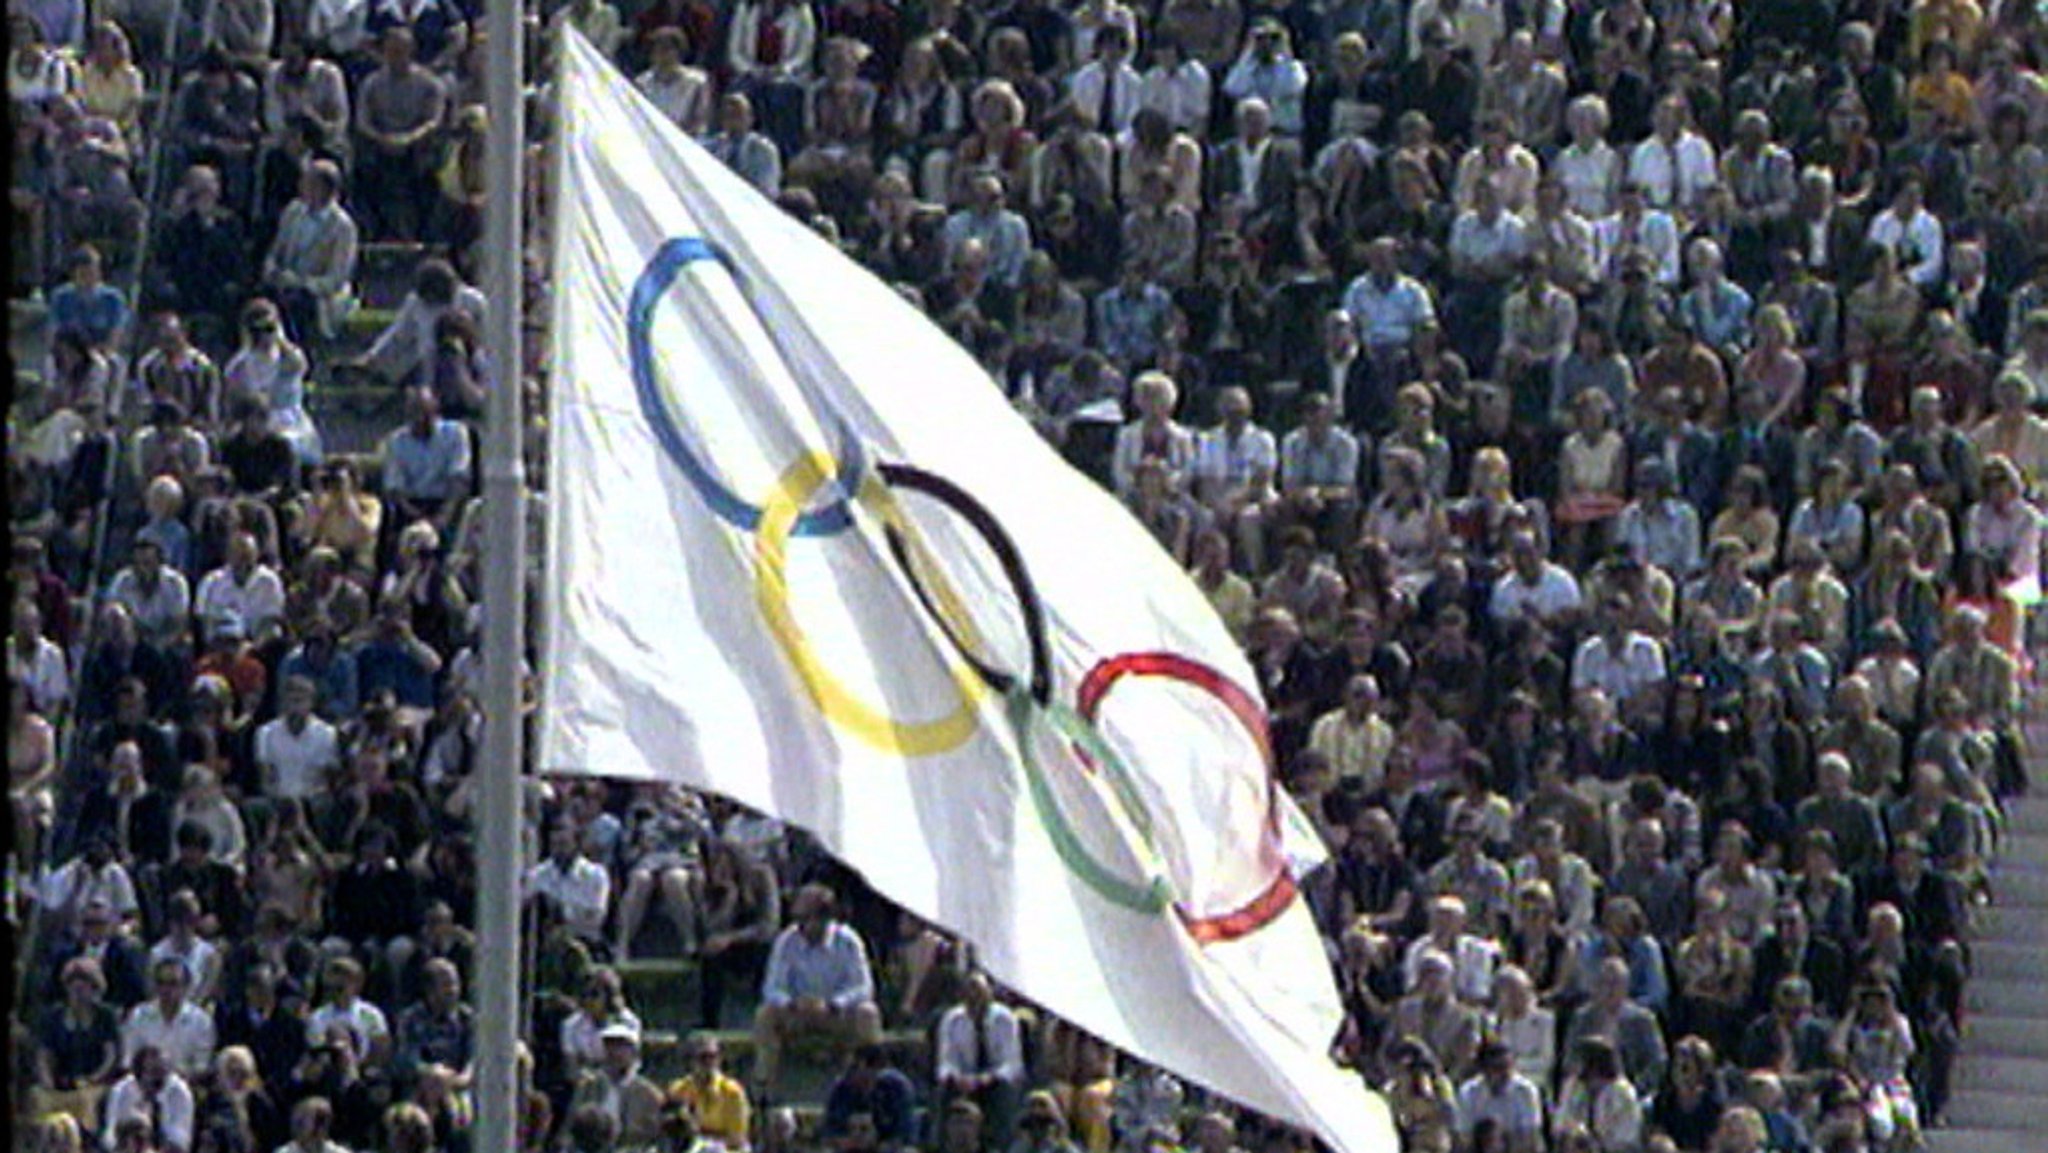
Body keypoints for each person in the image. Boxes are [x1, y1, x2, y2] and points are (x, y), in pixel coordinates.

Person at [754, 883, 882, 1090]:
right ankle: (763, 1089)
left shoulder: (848, 941)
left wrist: (834, 1004)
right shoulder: (787, 941)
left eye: (805, 918)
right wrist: (793, 1004)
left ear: (825, 918)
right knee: (765, 1015)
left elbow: (864, 987)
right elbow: (771, 988)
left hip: (836, 1016)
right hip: (797, 1015)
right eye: (797, 918)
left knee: (868, 1014)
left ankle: (870, 1085)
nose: (800, 925)